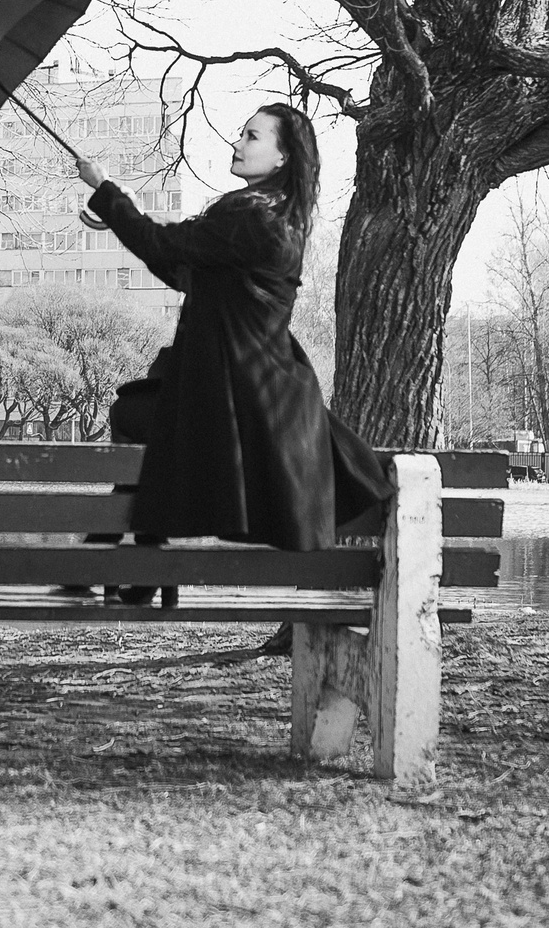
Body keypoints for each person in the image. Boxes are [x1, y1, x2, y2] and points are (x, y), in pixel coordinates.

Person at [75, 103, 391, 594]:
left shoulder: (249, 214)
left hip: (238, 390)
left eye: (252, 137)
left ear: (284, 157)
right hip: (253, 386)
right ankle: (130, 571)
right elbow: (182, 270)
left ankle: (124, 569)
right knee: (153, 422)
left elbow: (166, 247)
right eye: (241, 134)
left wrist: (107, 192)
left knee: (140, 419)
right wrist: (122, 215)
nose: (237, 144)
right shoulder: (274, 217)